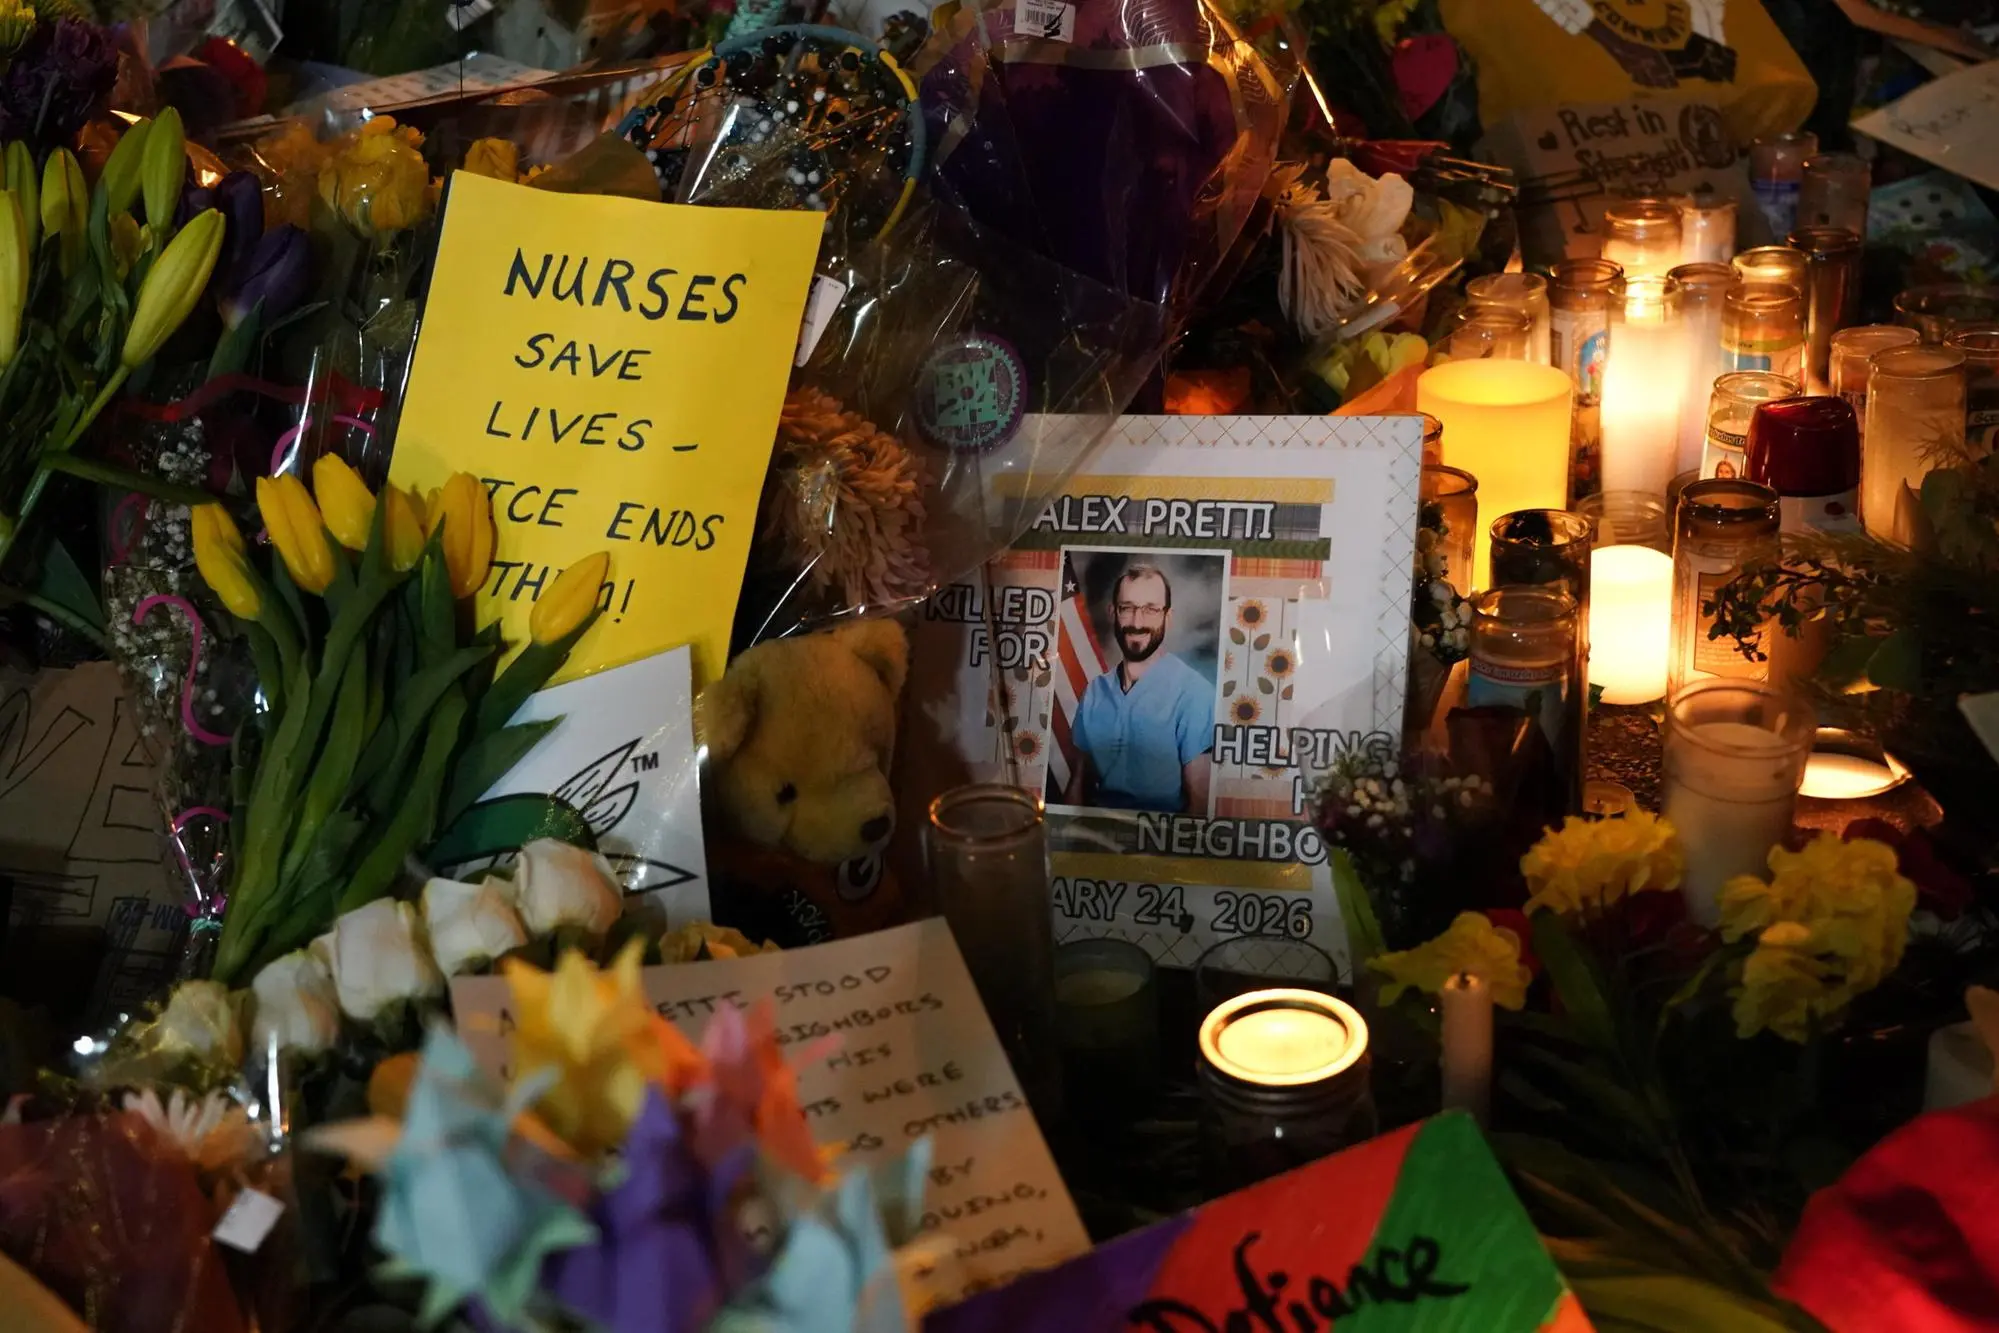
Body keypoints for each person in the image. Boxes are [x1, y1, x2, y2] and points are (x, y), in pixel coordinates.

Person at [1063, 563, 1214, 813]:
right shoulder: (1094, 692)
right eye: (1127, 609)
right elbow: (1079, 785)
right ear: (1112, 613)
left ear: (1168, 617)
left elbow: (1199, 807)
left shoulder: (1195, 694)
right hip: (1099, 836)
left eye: (1151, 610)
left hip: (1158, 841)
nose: (1137, 621)